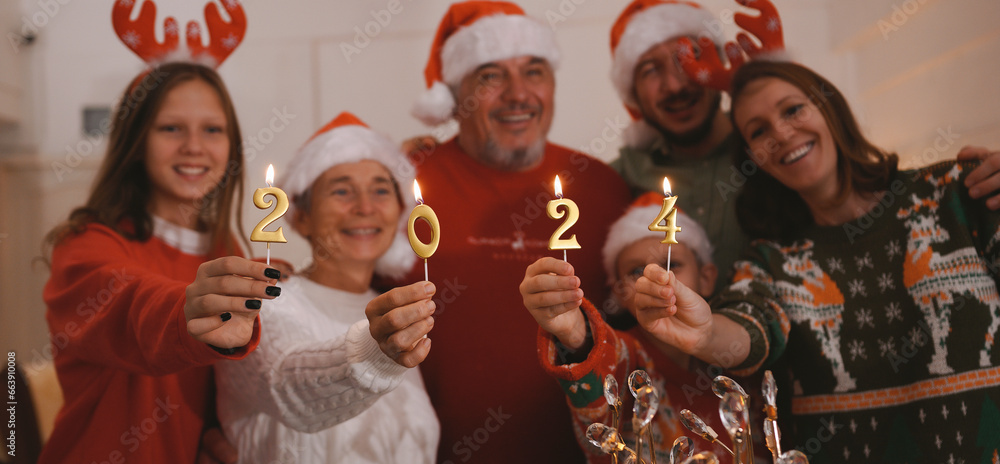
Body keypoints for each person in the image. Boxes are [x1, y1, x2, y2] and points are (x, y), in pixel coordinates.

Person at [633, 60, 1000, 462]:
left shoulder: (957, 193)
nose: (782, 134)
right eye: (759, 131)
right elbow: (748, 327)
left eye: (793, 110)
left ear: (831, 110)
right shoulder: (772, 259)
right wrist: (705, 335)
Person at [607, 0, 1000, 293]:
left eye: (686, 60)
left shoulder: (783, 159)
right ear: (632, 95)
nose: (675, 85)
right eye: (650, 70)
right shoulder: (615, 179)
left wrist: (972, 186)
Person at [384, 2, 632, 462]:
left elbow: (638, 335)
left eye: (534, 71)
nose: (518, 94)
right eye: (491, 76)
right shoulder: (401, 183)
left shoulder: (604, 186)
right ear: (456, 97)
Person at [40, 62, 279, 463]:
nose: (194, 146)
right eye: (171, 128)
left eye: (212, 129)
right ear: (135, 141)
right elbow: (132, 304)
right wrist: (191, 308)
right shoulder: (84, 246)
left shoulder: (224, 248)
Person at [215, 112, 440, 463]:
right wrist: (375, 353)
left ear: (400, 212)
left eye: (380, 189)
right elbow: (292, 394)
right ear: (301, 215)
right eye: (341, 190)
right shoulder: (262, 304)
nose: (365, 207)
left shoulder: (397, 310)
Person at [521, 193, 734, 462]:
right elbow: (604, 364)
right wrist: (576, 335)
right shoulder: (629, 358)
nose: (656, 278)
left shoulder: (736, 358)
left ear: (706, 277)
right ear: (619, 293)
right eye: (636, 271)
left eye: (673, 264)